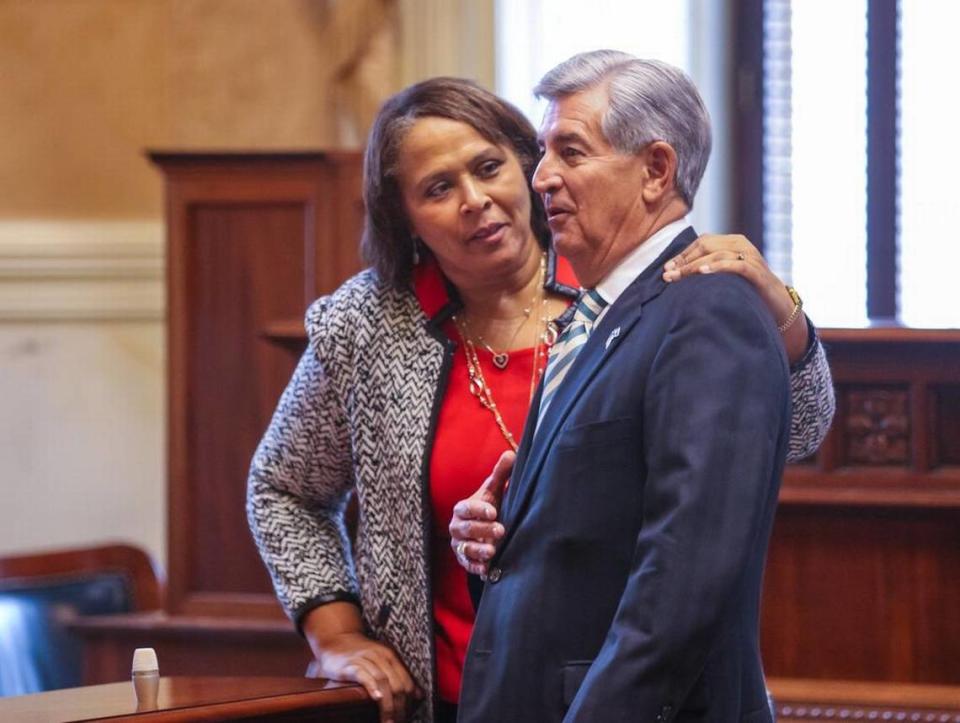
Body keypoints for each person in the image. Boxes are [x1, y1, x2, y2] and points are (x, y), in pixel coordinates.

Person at [246, 76, 835, 723]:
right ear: (404, 215)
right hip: (439, 700)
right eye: (439, 188)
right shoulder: (366, 322)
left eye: (488, 167)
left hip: (621, 695)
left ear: (528, 167)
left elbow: (796, 430)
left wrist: (785, 314)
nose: (475, 200)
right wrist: (336, 636)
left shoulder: (623, 285)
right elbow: (282, 488)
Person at [452, 51, 797, 723]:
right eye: (543, 152)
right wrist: (497, 539)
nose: (542, 177)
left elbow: (683, 582)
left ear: (656, 170)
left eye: (571, 152)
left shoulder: (707, 312)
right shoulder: (600, 316)